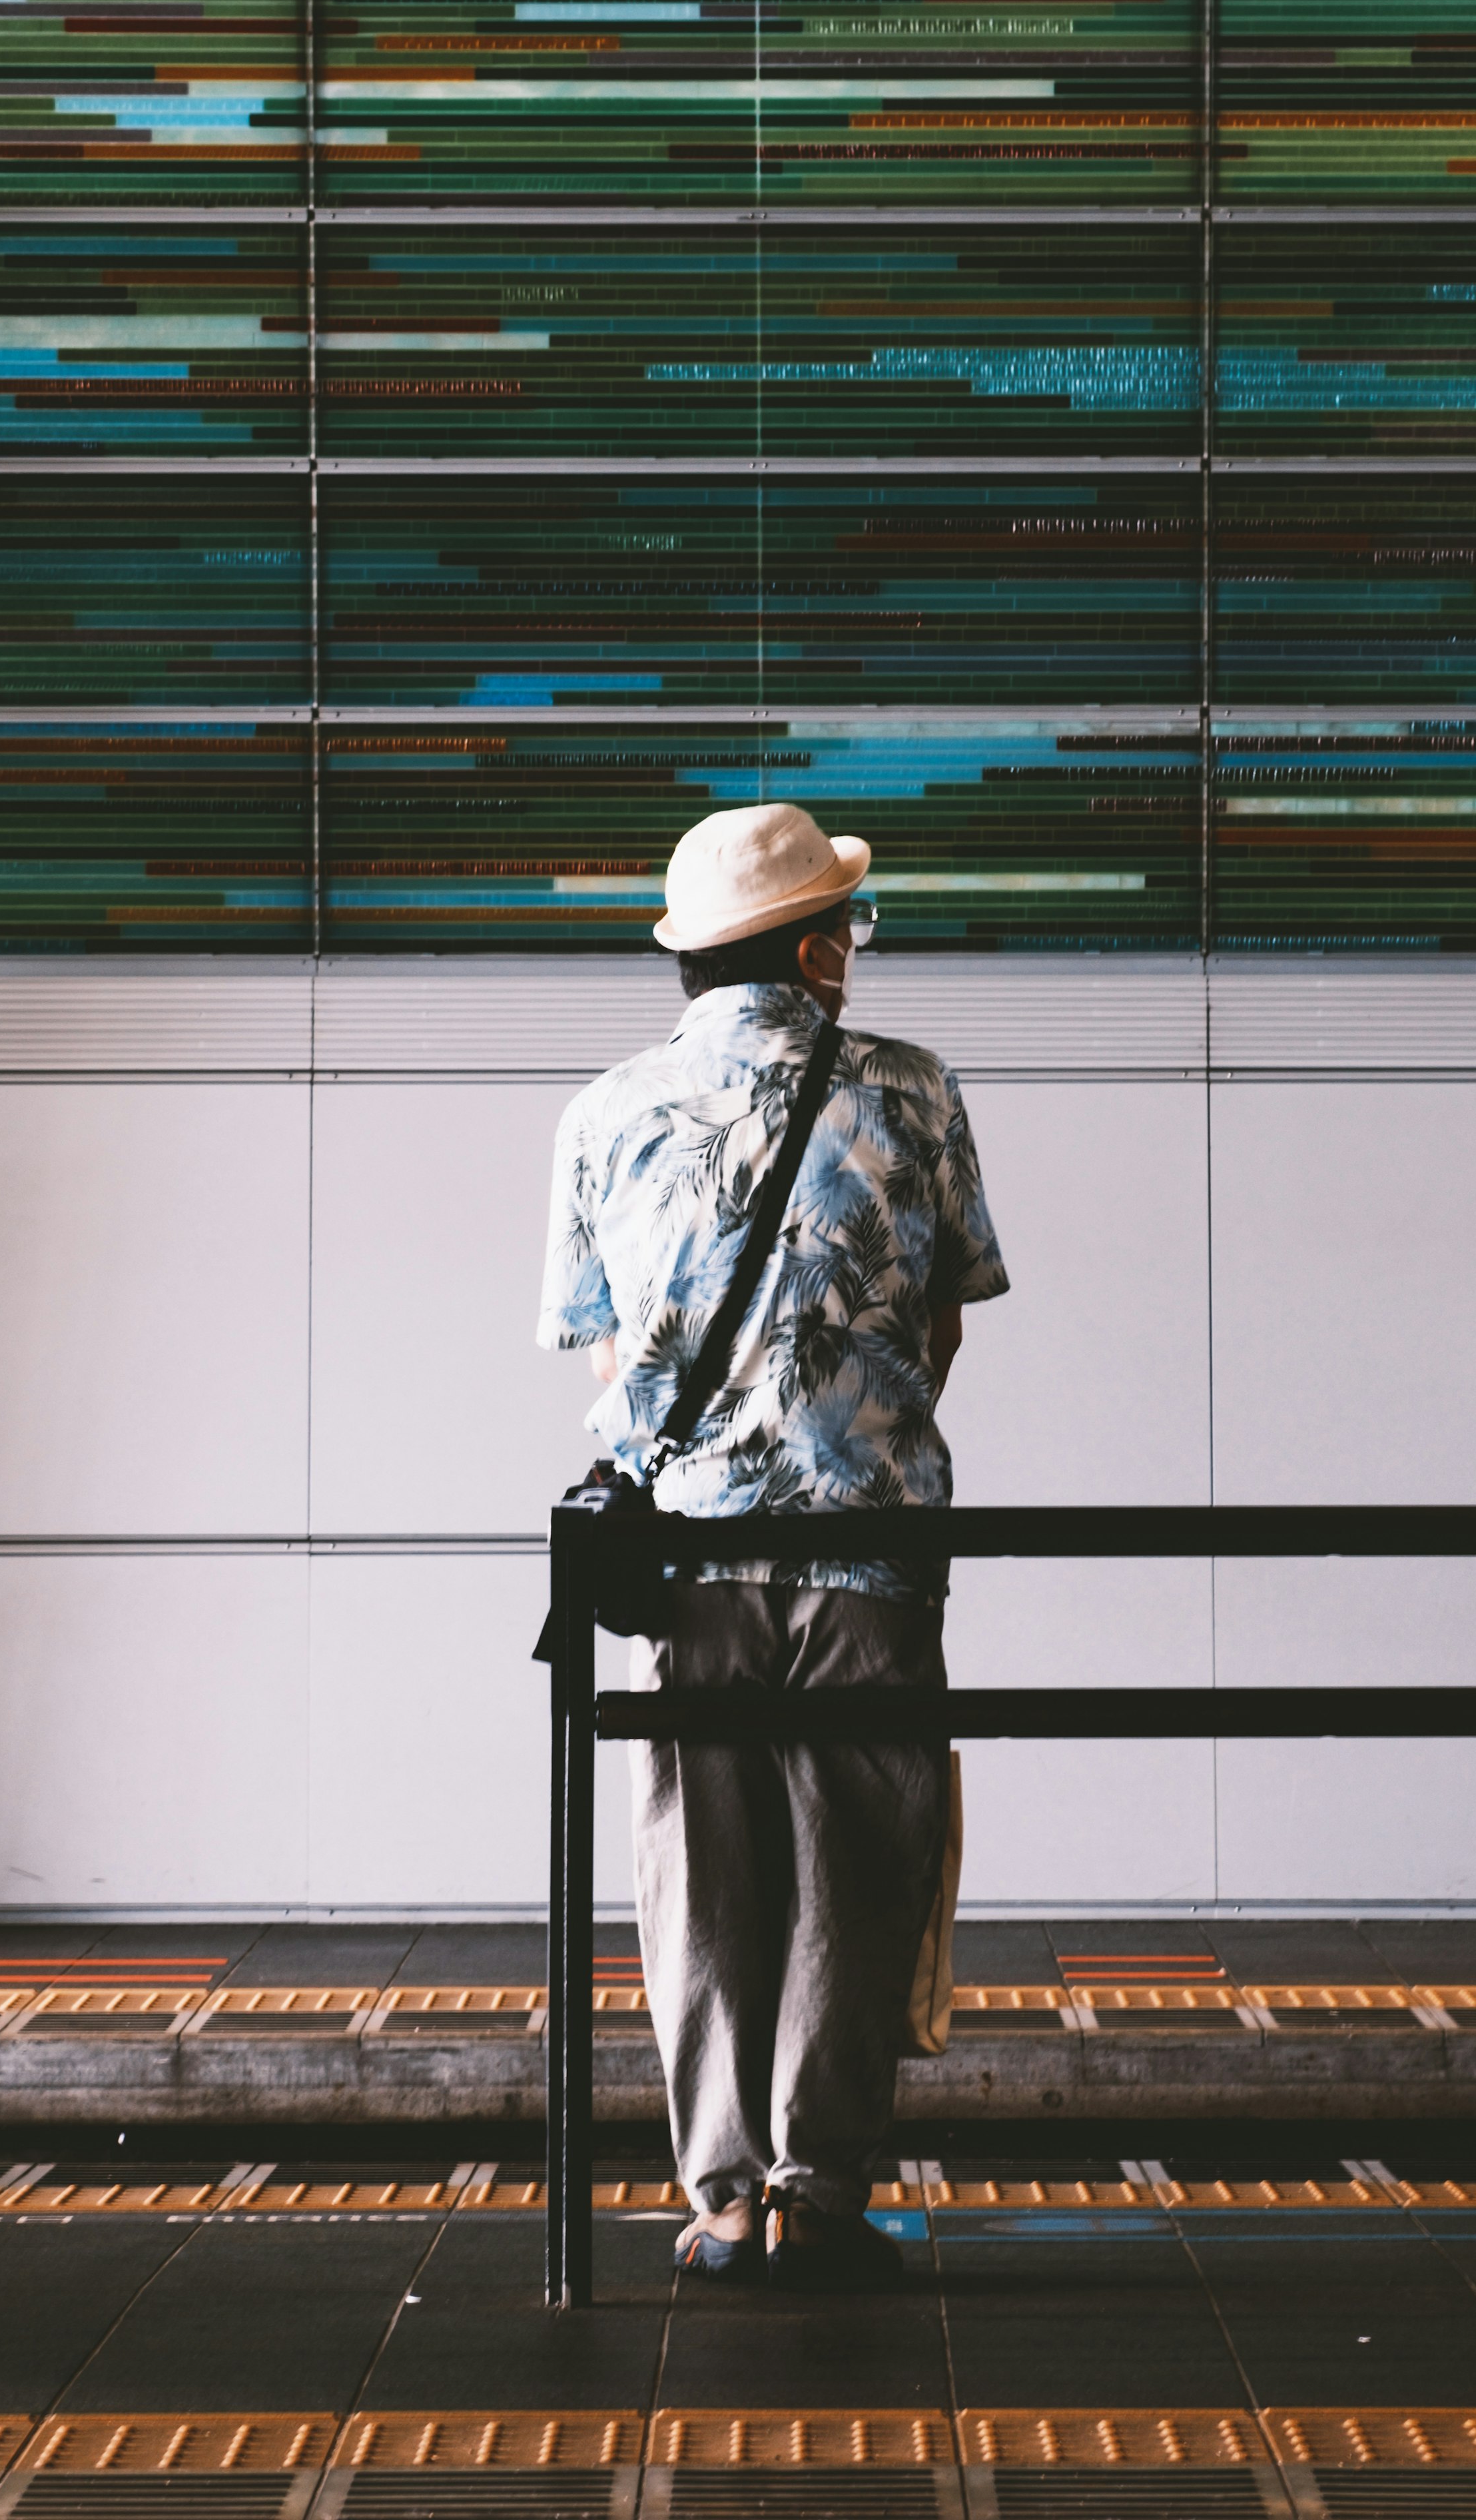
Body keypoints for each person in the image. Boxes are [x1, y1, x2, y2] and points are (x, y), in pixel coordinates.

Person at [536, 800, 1009, 2293]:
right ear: (818, 948)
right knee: (857, 1879)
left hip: (683, 1574)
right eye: (849, 929)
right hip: (870, 1560)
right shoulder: (914, 1093)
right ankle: (822, 2189)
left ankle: (725, 2199)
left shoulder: (603, 1114)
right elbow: (937, 1327)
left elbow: (606, 1368)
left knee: (705, 1882)